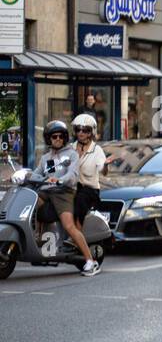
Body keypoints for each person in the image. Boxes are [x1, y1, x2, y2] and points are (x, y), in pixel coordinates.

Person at [37, 122, 100, 277]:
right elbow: (38, 173)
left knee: (69, 226)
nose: (57, 139)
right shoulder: (46, 158)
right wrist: (23, 175)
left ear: (65, 138)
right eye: (54, 136)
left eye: (61, 136)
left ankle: (90, 261)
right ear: (48, 139)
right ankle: (38, 240)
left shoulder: (71, 154)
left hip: (63, 192)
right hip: (46, 191)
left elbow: (72, 174)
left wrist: (60, 180)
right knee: (29, 202)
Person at [72, 114, 106, 234]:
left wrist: (105, 165)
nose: (81, 133)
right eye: (78, 129)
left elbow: (103, 169)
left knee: (79, 200)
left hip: (89, 190)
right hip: (72, 188)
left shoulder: (97, 150)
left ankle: (77, 234)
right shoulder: (70, 149)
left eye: (85, 130)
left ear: (91, 132)